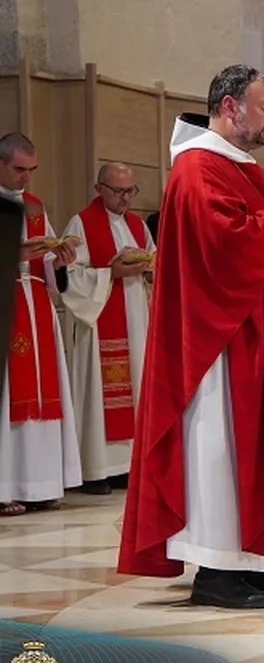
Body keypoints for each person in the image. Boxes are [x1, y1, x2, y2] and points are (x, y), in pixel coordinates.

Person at [117, 65, 264, 610]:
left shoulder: (239, 167)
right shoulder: (197, 170)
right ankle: (216, 569)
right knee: (218, 449)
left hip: (248, 340)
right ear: (230, 107)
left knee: (251, 449)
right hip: (214, 349)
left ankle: (249, 560)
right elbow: (226, 250)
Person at [0, 132, 83, 516]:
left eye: (31, 170)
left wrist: (57, 261)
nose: (25, 178)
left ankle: (41, 484)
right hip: (8, 304)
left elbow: (45, 260)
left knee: (42, 393)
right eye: (19, 169)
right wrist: (14, 254)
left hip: (35, 302)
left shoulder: (34, 206)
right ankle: (4, 488)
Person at [61, 162, 155, 496]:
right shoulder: (82, 223)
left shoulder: (137, 225)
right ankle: (95, 469)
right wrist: (110, 274)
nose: (125, 198)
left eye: (130, 191)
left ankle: (126, 465)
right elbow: (68, 276)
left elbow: (154, 262)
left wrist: (148, 268)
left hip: (135, 320)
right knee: (99, 393)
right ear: (99, 189)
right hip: (99, 322)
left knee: (135, 386)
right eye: (118, 191)